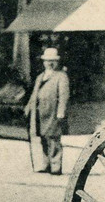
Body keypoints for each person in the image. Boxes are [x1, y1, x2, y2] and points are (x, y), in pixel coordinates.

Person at [24, 47, 70, 175]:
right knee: (42, 138)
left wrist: (61, 111)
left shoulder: (61, 76)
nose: (49, 63)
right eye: (47, 61)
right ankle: (46, 164)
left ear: (57, 62)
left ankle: (56, 166)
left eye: (52, 61)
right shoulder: (40, 76)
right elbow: (34, 94)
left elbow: (64, 96)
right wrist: (28, 108)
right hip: (39, 113)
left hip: (52, 112)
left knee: (54, 139)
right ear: (43, 62)